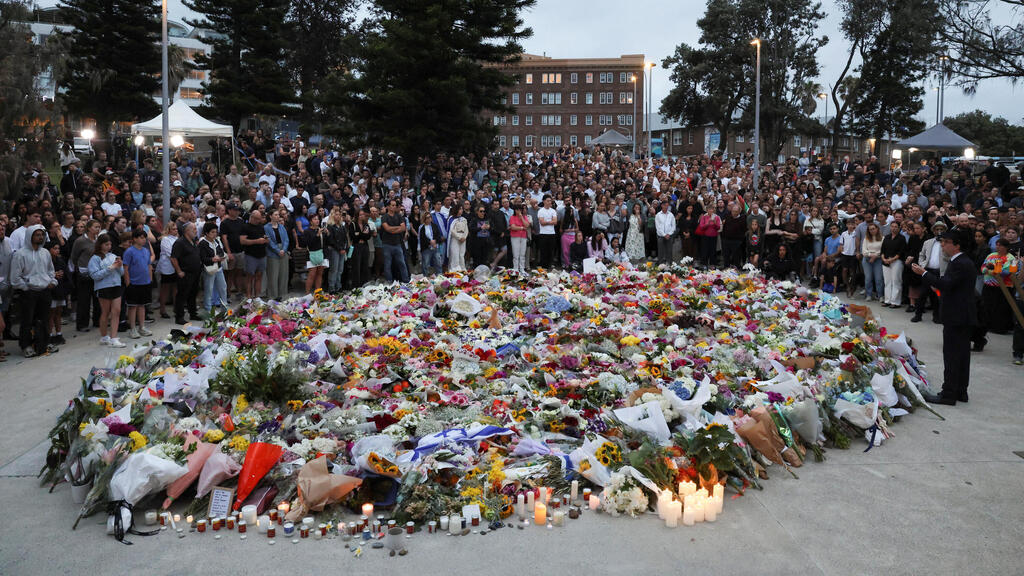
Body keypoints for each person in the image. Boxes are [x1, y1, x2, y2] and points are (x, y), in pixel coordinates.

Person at [912, 229, 978, 405]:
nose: (942, 245)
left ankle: (949, 393)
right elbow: (953, 286)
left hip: (956, 316)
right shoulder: (961, 262)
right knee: (962, 355)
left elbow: (948, 284)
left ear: (956, 245)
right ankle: (960, 391)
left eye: (946, 242)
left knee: (952, 355)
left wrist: (924, 274)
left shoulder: (960, 263)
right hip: (962, 315)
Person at [11, 225, 58, 357]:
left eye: (42, 234)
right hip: (28, 292)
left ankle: (44, 343)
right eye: (37, 235)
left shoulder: (45, 253)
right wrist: (26, 287)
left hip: (44, 291)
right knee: (27, 320)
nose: (40, 237)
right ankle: (26, 345)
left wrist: (52, 282)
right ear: (30, 236)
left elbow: (50, 271)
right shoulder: (20, 254)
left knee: (44, 318)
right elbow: (15, 277)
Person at [87, 233, 126, 348]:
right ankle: (104, 336)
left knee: (117, 311)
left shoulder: (113, 256)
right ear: (100, 245)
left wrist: (120, 265)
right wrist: (110, 268)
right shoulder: (95, 258)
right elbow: (95, 275)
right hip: (103, 287)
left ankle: (114, 337)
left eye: (110, 244)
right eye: (106, 244)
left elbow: (122, 273)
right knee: (105, 312)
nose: (109, 246)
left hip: (116, 285)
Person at [912, 221, 949, 323]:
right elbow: (921, 254)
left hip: (939, 273)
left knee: (937, 294)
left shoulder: (947, 243)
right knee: (923, 293)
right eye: (937, 229)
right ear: (933, 231)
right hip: (927, 271)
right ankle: (918, 315)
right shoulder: (928, 242)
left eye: (941, 229)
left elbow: (949, 257)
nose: (939, 231)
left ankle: (936, 316)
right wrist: (922, 264)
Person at [980, 238, 1017, 335]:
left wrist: (991, 270)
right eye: (997, 245)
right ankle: (987, 325)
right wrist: (991, 270)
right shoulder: (991, 255)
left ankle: (999, 328)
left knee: (1001, 309)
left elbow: (1007, 272)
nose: (997, 247)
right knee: (987, 306)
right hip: (988, 285)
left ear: (1006, 247)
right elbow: (983, 267)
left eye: (1000, 245)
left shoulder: (1011, 258)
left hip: (1003, 287)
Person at [122, 229, 154, 338]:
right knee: (133, 307)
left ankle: (142, 327)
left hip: (145, 282)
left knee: (142, 306)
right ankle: (132, 329)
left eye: (144, 237)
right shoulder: (129, 251)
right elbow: (125, 269)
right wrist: (128, 284)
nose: (143, 239)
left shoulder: (146, 251)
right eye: (141, 237)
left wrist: (150, 279)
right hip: (134, 283)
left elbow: (149, 266)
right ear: (134, 239)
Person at [70, 219, 102, 330]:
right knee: (84, 300)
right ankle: (82, 324)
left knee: (98, 299)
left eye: (99, 227)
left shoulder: (99, 240)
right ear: (89, 228)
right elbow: (74, 256)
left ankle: (97, 321)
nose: (98, 229)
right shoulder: (80, 241)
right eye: (95, 227)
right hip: (84, 273)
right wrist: (80, 267)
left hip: (97, 272)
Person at [170, 222, 202, 325]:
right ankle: (179, 316)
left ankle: (193, 313)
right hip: (185, 273)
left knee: (193, 294)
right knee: (182, 295)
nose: (196, 231)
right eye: (194, 229)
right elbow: (173, 258)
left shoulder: (193, 241)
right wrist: (179, 271)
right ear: (187, 231)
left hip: (195, 272)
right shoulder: (180, 242)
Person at [198, 222, 228, 315]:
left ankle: (224, 308)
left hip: (218, 268)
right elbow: (202, 258)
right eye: (212, 232)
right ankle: (208, 309)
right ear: (206, 233)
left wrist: (220, 257)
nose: (215, 234)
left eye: (216, 232)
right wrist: (212, 259)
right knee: (209, 289)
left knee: (223, 288)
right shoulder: (203, 243)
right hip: (209, 269)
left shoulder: (217, 241)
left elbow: (221, 252)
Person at [46, 240, 71, 346]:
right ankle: (50, 334)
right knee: (51, 313)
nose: (57, 250)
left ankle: (59, 333)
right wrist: (53, 275)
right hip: (51, 290)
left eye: (58, 248)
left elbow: (66, 273)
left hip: (60, 289)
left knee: (58, 312)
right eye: (54, 248)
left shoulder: (60, 260)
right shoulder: (46, 261)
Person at [240, 210, 269, 299]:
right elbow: (242, 241)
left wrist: (265, 239)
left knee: (259, 276)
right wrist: (257, 241)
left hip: (262, 254)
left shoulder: (261, 226)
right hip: (251, 255)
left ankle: (257, 297)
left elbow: (264, 236)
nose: (258, 221)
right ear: (252, 217)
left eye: (259, 219)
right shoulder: (245, 227)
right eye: (257, 219)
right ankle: (248, 296)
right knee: (249, 277)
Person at [379, 200, 409, 283]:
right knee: (387, 265)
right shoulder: (384, 217)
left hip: (397, 243)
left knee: (402, 263)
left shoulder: (399, 216)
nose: (394, 207)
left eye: (395, 205)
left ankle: (406, 280)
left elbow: (403, 228)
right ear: (388, 206)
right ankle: (389, 281)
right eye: (392, 205)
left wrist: (392, 229)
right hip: (387, 244)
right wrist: (397, 228)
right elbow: (387, 228)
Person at [265, 208, 291, 299]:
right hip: (273, 253)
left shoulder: (281, 226)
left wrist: (283, 249)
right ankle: (273, 295)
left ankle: (281, 294)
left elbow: (286, 239)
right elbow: (269, 241)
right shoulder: (266, 227)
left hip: (283, 251)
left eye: (278, 215)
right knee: (273, 275)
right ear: (270, 216)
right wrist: (277, 250)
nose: (277, 216)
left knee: (283, 274)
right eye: (275, 215)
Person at [880, 220, 907, 308]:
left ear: (899, 228)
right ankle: (887, 300)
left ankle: (895, 302)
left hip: (897, 261)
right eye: (892, 226)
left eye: (896, 227)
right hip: (886, 261)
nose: (894, 228)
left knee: (896, 281)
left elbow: (901, 251)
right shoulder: (887, 237)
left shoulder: (901, 238)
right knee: (887, 281)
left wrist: (892, 259)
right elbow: (882, 250)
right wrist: (884, 258)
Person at [156, 220, 178, 319]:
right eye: (173, 229)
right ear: (169, 230)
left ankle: (176, 307)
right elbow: (170, 254)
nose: (176, 230)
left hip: (176, 265)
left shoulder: (177, 238)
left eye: (176, 229)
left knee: (175, 287)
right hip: (167, 266)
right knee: (165, 288)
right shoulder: (165, 239)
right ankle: (162, 309)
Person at [324, 207, 349, 293]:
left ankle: (338, 286)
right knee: (334, 269)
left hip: (342, 250)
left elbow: (345, 238)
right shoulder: (330, 226)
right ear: (332, 216)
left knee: (340, 269)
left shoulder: (342, 226)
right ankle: (332, 287)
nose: (338, 216)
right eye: (336, 214)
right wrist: (339, 249)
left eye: (339, 215)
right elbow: (331, 240)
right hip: (334, 250)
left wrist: (345, 248)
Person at [302, 213, 327, 294]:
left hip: (320, 253)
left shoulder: (321, 229)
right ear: (311, 221)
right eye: (315, 219)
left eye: (318, 219)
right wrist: (317, 235)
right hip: (311, 254)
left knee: (320, 274)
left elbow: (326, 243)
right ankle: (307, 293)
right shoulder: (307, 231)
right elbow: (308, 243)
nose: (317, 221)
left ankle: (317, 293)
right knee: (311, 275)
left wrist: (327, 233)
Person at [860, 222, 884, 301]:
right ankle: (869, 294)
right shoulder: (866, 238)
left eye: (873, 229)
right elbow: (864, 251)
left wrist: (875, 256)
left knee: (878, 279)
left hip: (878, 260)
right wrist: (871, 255)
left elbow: (882, 250)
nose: (872, 231)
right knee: (868, 278)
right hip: (867, 260)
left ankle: (880, 295)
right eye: (870, 229)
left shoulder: (882, 238)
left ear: (877, 229)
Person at [418, 211, 442, 276]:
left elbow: (438, 235)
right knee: (425, 264)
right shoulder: (421, 227)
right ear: (424, 219)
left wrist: (435, 241)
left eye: (430, 217)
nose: (429, 219)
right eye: (427, 218)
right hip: (426, 248)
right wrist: (430, 242)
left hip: (435, 247)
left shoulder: (434, 226)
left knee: (438, 262)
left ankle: (439, 275)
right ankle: (425, 277)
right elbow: (422, 238)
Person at [508, 204, 530, 273]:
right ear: (515, 210)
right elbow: (513, 227)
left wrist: (522, 218)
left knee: (522, 253)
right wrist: (522, 228)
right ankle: (516, 269)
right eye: (517, 209)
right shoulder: (512, 217)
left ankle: (522, 269)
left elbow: (527, 225)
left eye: (520, 209)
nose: (519, 211)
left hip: (523, 236)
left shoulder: (524, 217)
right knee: (516, 254)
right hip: (515, 237)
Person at [447, 205, 469, 272]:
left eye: (462, 209)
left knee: (461, 254)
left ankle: (462, 268)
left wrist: (464, 237)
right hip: (455, 239)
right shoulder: (451, 219)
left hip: (463, 239)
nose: (461, 210)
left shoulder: (464, 219)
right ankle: (454, 269)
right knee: (455, 253)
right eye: (460, 209)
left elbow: (466, 229)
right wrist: (459, 237)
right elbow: (451, 230)